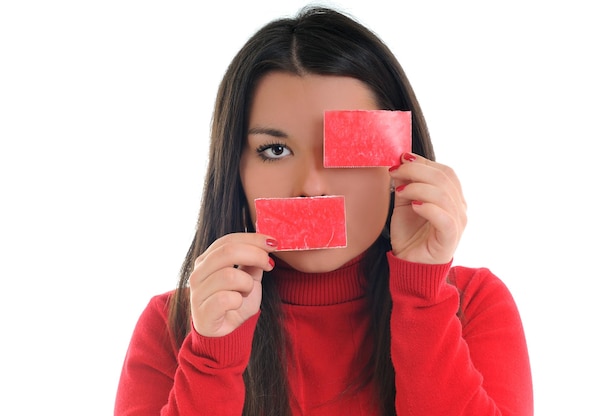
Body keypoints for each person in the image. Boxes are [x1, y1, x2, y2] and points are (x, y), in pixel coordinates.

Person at [114, 6, 533, 415]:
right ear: (234, 171)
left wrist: (422, 295)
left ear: (403, 161)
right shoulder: (173, 328)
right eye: (275, 150)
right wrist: (212, 359)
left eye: (349, 148)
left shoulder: (471, 304)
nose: (312, 187)